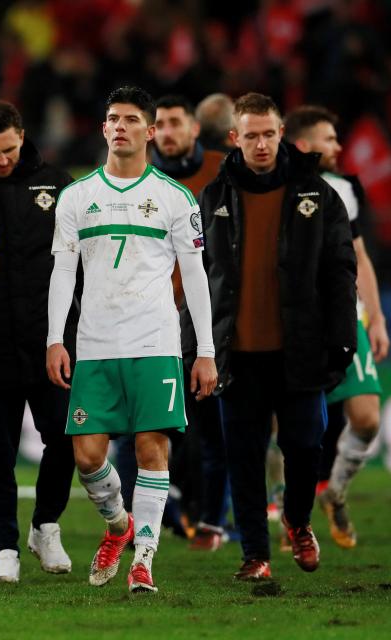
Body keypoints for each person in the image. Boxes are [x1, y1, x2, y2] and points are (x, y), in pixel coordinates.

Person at [46, 86, 217, 593]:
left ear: (149, 131)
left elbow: (197, 276)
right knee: (87, 457)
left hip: (155, 342)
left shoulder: (175, 198)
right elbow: (62, 272)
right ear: (103, 129)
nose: (119, 126)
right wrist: (56, 338)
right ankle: (118, 525)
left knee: (151, 451)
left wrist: (204, 351)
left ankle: (144, 557)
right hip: (95, 344)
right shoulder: (77, 197)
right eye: (112, 119)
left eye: (130, 120)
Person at [181, 93, 356, 580]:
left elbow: (341, 272)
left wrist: (343, 340)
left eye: (269, 134)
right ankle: (255, 554)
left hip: (300, 350)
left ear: (283, 136)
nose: (261, 144)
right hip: (236, 355)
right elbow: (197, 278)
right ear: (235, 139)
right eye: (251, 135)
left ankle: (298, 522)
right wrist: (195, 347)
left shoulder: (319, 195)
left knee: (305, 446)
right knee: (243, 456)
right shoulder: (213, 197)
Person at [0, 99, 77, 584]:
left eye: (9, 149)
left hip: (49, 339)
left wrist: (68, 332)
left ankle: (45, 525)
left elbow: (75, 265)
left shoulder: (59, 185)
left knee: (65, 440)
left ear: (23, 136)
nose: (3, 159)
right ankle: (3, 549)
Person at [285, 105, 389, 548]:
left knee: (366, 418)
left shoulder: (346, 189)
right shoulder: (279, 186)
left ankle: (336, 493)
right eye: (330, 139)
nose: (339, 146)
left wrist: (377, 316)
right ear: (305, 145)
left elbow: (360, 257)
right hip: (297, 322)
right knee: (284, 427)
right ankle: (290, 514)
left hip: (348, 318)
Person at [150, 94, 230, 551]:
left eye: (175, 122)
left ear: (194, 128)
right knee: (150, 429)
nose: (166, 132)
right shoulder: (137, 176)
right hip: (154, 320)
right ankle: (161, 513)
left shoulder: (223, 169)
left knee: (214, 428)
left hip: (210, 318)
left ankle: (215, 523)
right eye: (159, 124)